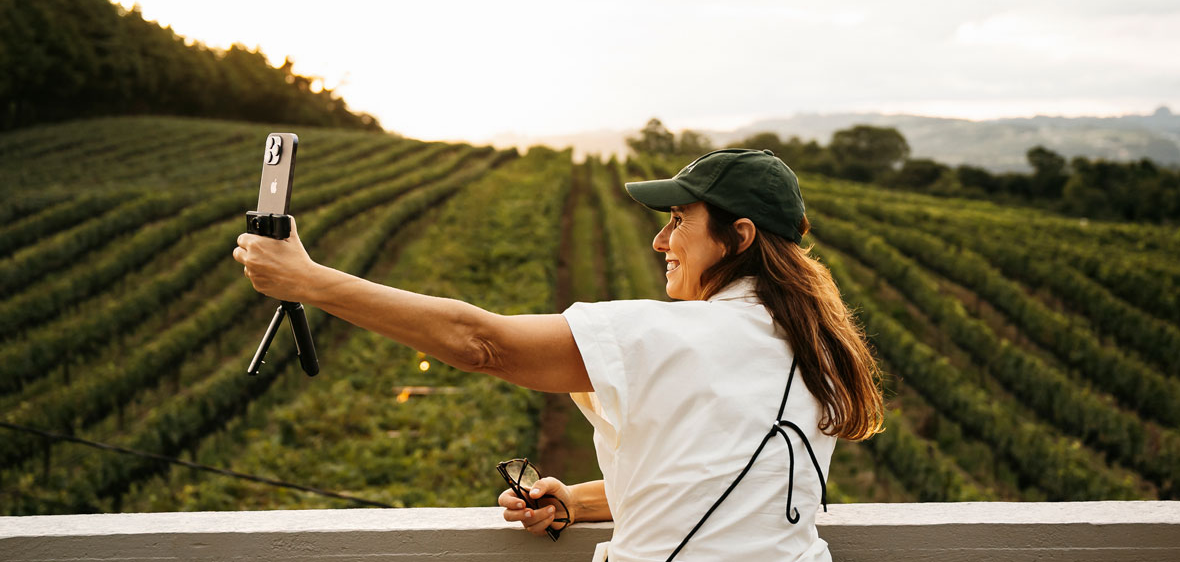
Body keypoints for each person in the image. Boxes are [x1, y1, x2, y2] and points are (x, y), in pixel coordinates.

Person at [233, 148, 883, 561]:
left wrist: (307, 281)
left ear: (737, 236)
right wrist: (576, 500)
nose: (661, 240)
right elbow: (715, 480)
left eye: (679, 219)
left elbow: (481, 343)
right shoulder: (818, 347)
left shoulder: (663, 336)